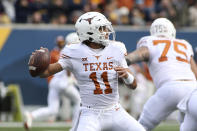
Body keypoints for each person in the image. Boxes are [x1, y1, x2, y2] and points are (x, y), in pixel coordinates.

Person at [29, 12, 145, 131]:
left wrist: (127, 77)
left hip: (115, 111)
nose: (106, 31)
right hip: (90, 114)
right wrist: (35, 67)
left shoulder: (116, 48)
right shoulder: (74, 51)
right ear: (90, 32)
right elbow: (46, 72)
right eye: (102, 28)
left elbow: (133, 85)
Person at [126, 18, 197, 131]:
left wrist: (125, 60)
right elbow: (195, 71)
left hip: (169, 88)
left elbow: (141, 54)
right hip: (193, 89)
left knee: (141, 126)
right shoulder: (184, 44)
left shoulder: (150, 41)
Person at [24, 33, 81, 130]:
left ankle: (31, 115)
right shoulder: (70, 51)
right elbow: (68, 68)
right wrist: (69, 78)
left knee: (53, 109)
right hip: (63, 82)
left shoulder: (63, 51)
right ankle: (75, 128)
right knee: (79, 101)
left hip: (55, 82)